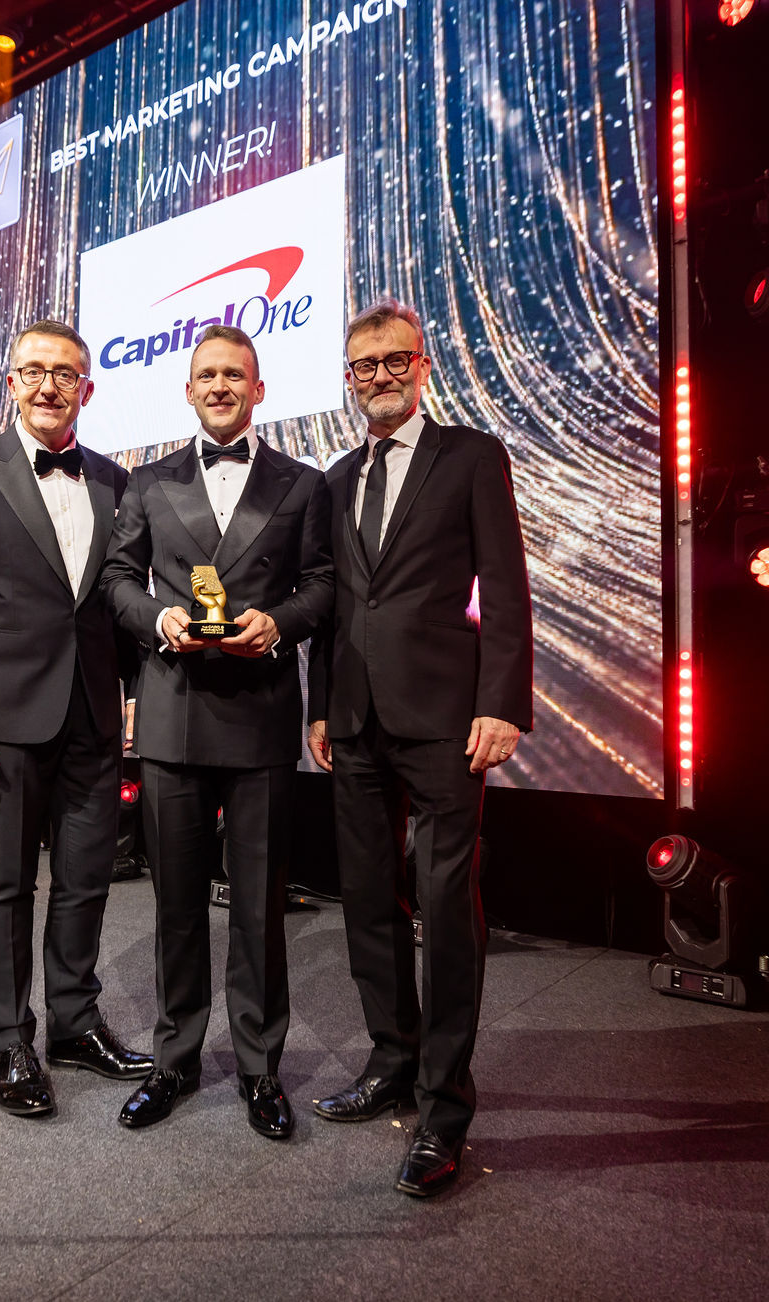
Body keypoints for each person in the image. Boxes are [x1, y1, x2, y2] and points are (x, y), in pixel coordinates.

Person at [307, 297, 532, 1197]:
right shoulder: (334, 479)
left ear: (423, 364)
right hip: (353, 719)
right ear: (349, 379)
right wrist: (320, 708)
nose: (379, 377)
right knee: (367, 900)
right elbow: (335, 604)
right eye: (364, 366)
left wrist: (502, 704)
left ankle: (444, 1109)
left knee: (444, 907)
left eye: (394, 360)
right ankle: (391, 1063)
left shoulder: (470, 456)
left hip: (446, 718)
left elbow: (506, 587)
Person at [0, 319, 152, 1117]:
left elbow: (115, 604)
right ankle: (11, 1040)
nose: (50, 385)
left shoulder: (117, 481)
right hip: (4, 721)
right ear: (12, 382)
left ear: (88, 388)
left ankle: (74, 1026)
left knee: (86, 882)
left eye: (66, 373)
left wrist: (134, 696)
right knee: (7, 886)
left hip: (93, 718)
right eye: (35, 371)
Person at [101, 324, 333, 1139]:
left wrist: (280, 623)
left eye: (235, 374)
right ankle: (174, 1061)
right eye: (207, 375)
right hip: (173, 713)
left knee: (260, 908)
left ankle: (262, 1069)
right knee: (176, 907)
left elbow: (323, 586)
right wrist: (158, 620)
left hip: (260, 714)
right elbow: (118, 579)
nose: (221, 386)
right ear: (189, 390)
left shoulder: (304, 484)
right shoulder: (148, 481)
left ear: (258, 389)